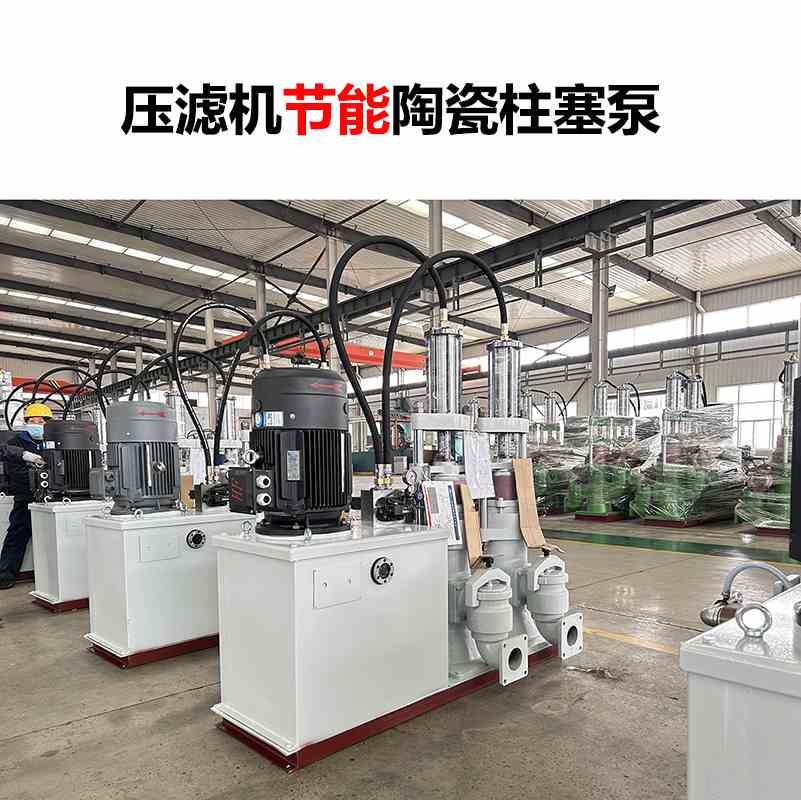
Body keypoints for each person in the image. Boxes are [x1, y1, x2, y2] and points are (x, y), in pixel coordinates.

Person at [0, 403, 50, 589]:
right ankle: (5, 575)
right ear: (26, 422)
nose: (38, 424)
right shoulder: (16, 442)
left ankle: (48, 576)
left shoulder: (53, 440)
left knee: (50, 534)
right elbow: (14, 471)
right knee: (18, 533)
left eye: (41, 421)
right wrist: (37, 477)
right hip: (25, 495)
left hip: (52, 495)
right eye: (34, 421)